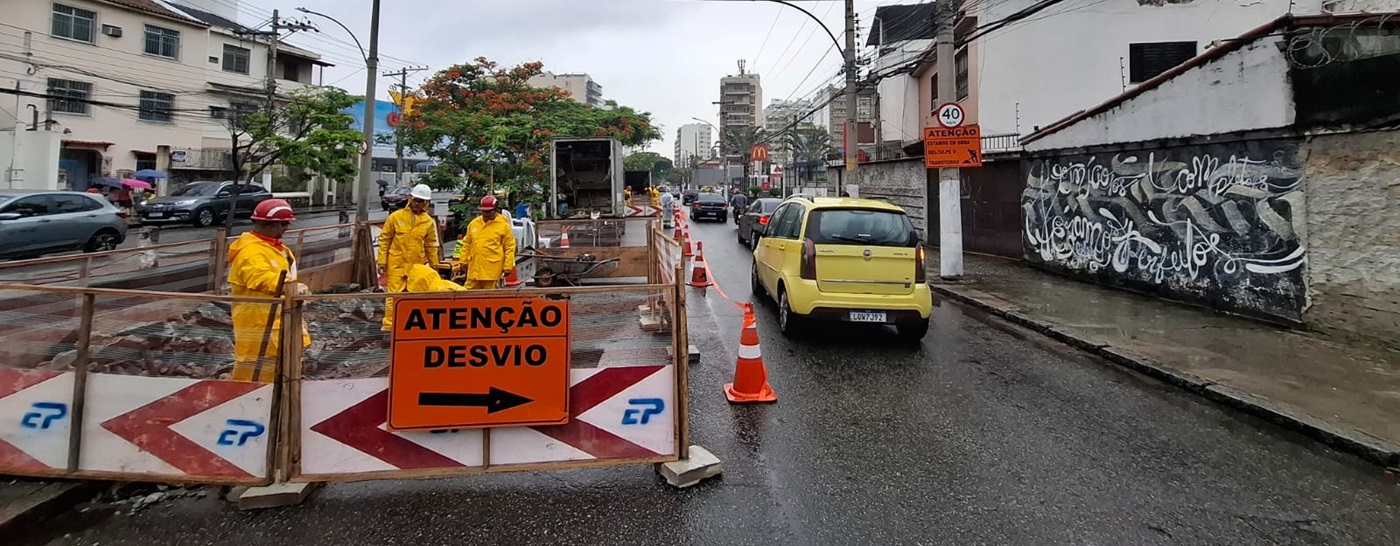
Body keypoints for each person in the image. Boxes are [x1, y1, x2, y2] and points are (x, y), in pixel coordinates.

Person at [227, 199, 311, 383]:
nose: (287, 228)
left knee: (282, 371)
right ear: (274, 225)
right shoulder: (251, 252)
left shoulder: (276, 249)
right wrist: (289, 287)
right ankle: (247, 400)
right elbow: (260, 277)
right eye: (285, 224)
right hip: (259, 324)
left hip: (278, 320)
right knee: (254, 373)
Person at [377, 184, 440, 331]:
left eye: (421, 201)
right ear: (410, 199)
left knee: (415, 295)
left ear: (426, 203)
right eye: (416, 200)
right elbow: (385, 239)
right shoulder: (396, 217)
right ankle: (389, 327)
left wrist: (435, 265)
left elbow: (430, 245)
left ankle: (410, 326)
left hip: (416, 266)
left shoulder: (427, 222)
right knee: (393, 296)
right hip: (396, 264)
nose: (418, 204)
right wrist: (381, 261)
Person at [452, 195, 516, 290]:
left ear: (495, 210)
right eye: (484, 211)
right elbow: (467, 243)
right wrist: (463, 261)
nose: (486, 214)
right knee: (467, 294)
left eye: (489, 211)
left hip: (492, 271)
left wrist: (508, 266)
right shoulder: (474, 224)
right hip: (474, 270)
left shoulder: (503, 226)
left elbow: (509, 247)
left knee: (489, 296)